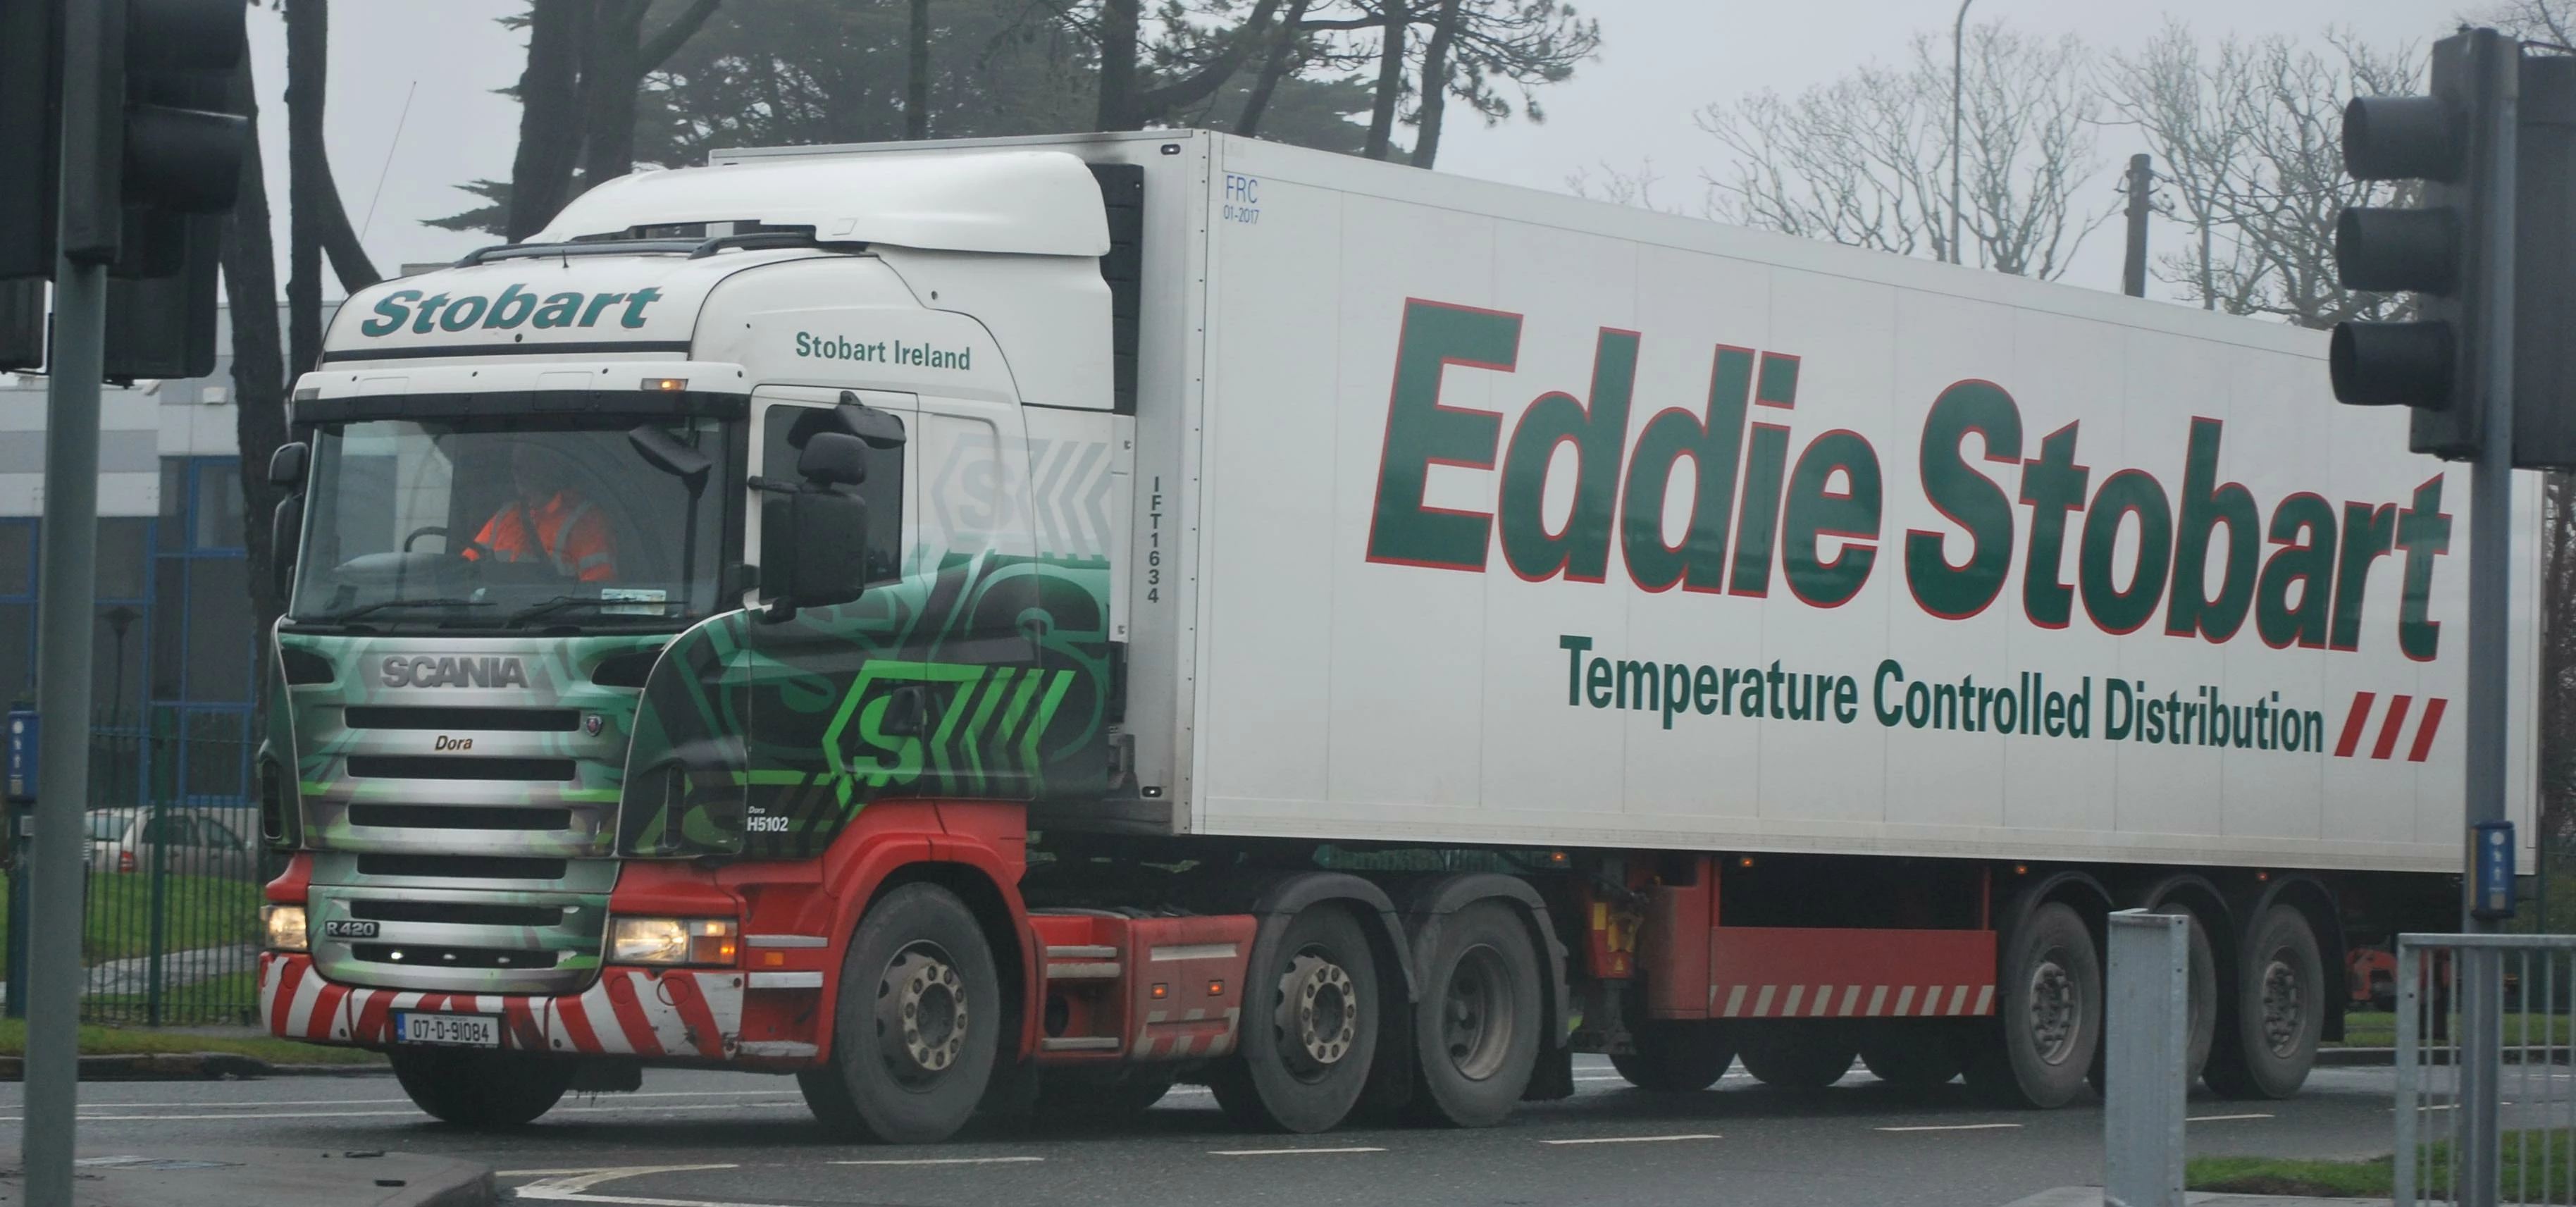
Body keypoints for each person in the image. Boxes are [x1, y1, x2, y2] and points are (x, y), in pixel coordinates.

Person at [464, 441, 618, 582]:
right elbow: (466, 569)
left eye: (526, 466)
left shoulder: (585, 520)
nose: (517, 474)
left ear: (549, 466)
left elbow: (598, 588)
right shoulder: (506, 516)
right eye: (515, 467)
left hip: (560, 611)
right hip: (496, 610)